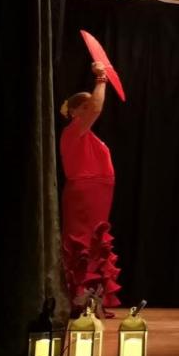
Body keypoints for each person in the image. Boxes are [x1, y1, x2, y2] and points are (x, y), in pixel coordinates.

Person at [59, 60, 121, 318]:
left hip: (98, 194)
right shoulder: (73, 131)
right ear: (74, 112)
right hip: (84, 193)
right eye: (84, 106)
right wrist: (101, 79)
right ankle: (79, 299)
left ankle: (92, 299)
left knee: (95, 243)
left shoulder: (87, 135)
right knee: (82, 243)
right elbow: (96, 107)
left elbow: (94, 108)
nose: (91, 108)